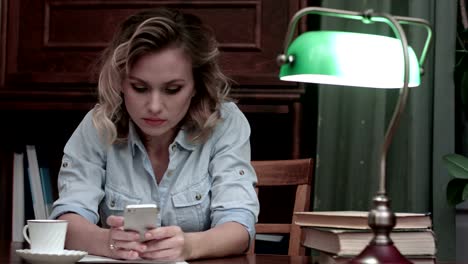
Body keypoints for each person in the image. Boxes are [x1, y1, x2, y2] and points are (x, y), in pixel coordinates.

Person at [49, 7, 259, 261]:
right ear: (120, 83)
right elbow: (70, 216)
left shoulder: (226, 122)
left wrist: (189, 246)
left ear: (196, 86)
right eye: (139, 88)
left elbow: (239, 227)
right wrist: (106, 241)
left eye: (173, 89)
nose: (155, 106)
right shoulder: (98, 125)